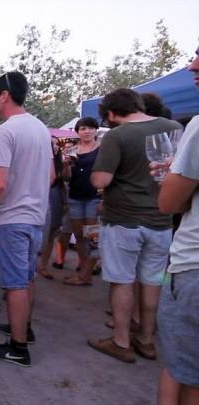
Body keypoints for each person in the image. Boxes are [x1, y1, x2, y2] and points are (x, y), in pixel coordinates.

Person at [87, 88, 182, 364]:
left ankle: (121, 341)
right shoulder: (174, 127)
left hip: (124, 220)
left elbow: (100, 181)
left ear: (112, 113)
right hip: (162, 220)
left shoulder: (118, 135)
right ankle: (147, 340)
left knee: (122, 280)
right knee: (153, 281)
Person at [0, 71, 54, 367]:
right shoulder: (40, 128)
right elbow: (50, 176)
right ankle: (24, 328)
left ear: (4, 96)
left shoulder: (4, 132)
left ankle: (18, 347)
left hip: (13, 218)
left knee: (14, 284)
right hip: (37, 217)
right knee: (26, 278)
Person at [154, 45, 199, 405]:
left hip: (192, 264)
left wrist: (172, 178)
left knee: (183, 370)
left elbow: (170, 202)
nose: (192, 65)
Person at [63, 117, 102, 286]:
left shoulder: (103, 149)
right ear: (77, 132)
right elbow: (66, 178)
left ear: (96, 130)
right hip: (75, 197)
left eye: (90, 128)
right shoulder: (72, 150)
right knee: (79, 236)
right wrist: (65, 166)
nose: (86, 131)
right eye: (82, 128)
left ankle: (85, 275)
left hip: (95, 197)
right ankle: (84, 271)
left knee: (92, 237)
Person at [36, 137, 67, 280]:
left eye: (56, 144)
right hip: (41, 196)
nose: (55, 147)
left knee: (52, 233)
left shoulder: (60, 161)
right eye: (51, 144)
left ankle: (43, 266)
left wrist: (67, 167)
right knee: (39, 233)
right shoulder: (38, 159)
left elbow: (64, 181)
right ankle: (33, 265)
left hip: (56, 198)